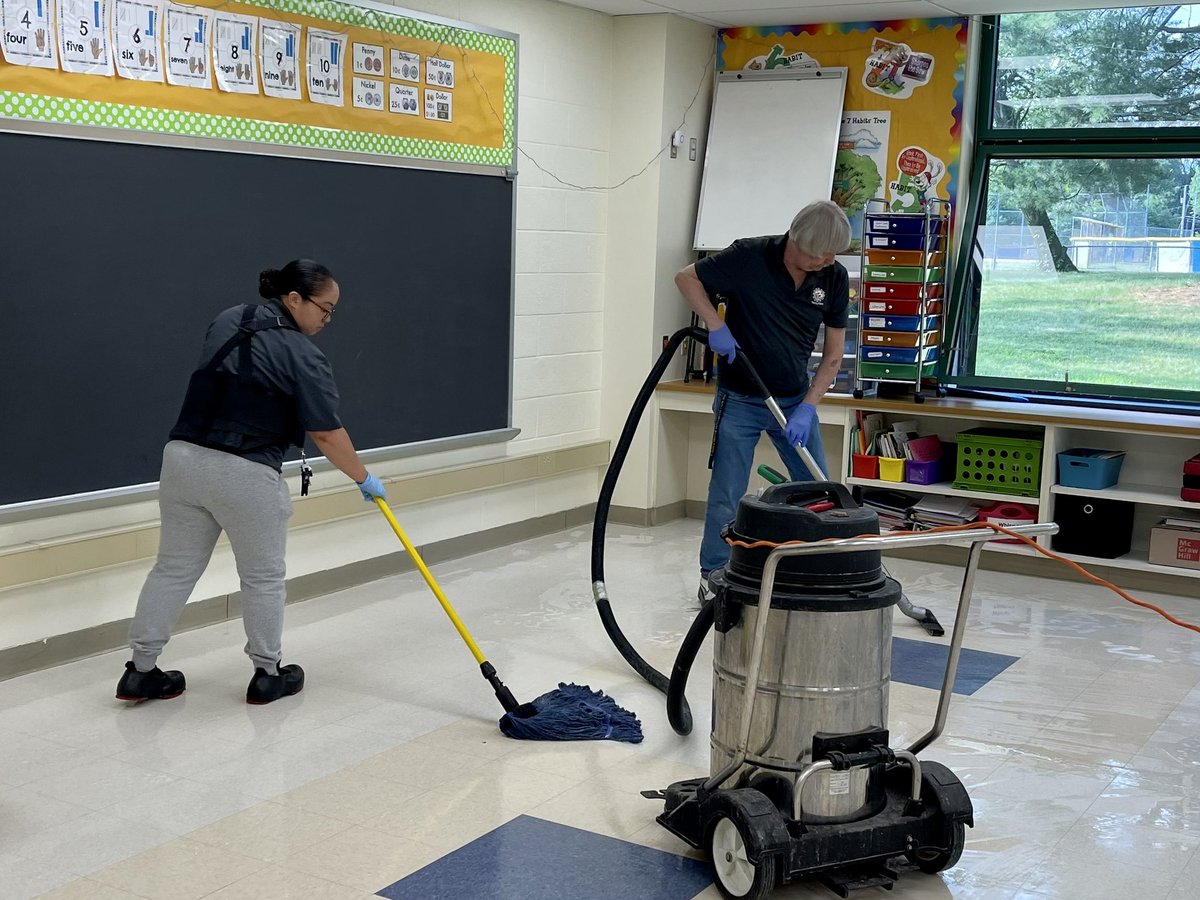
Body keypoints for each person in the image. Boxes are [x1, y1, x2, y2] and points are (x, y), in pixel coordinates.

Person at [115, 259, 387, 705]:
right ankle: (267, 674)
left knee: (173, 568)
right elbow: (325, 433)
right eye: (325, 308)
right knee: (263, 577)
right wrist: (364, 477)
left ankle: (140, 671)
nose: (328, 319)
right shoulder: (303, 355)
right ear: (294, 298)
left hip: (182, 460)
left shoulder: (229, 318)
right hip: (243, 471)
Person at [675, 200, 851, 603]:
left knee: (819, 493)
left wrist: (809, 406)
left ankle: (815, 571)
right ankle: (714, 576)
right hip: (740, 399)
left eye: (832, 255)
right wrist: (715, 324)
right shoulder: (749, 256)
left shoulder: (833, 277)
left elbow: (833, 355)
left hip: (794, 401)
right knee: (727, 494)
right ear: (797, 240)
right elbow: (686, 278)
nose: (827, 261)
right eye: (821, 254)